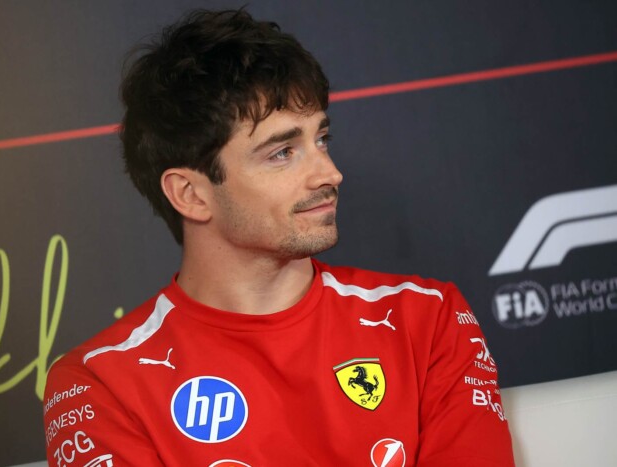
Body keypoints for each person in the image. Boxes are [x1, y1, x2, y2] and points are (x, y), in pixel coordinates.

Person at [43, 8, 514, 466]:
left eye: (321, 139)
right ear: (190, 194)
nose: (329, 173)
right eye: (282, 152)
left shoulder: (427, 319)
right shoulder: (98, 384)